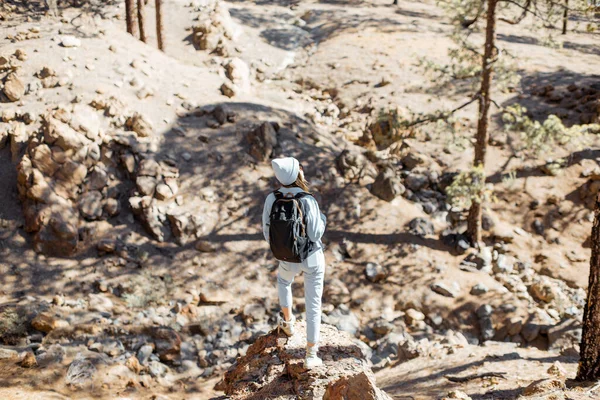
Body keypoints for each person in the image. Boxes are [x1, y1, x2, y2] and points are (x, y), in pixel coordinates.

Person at [262, 157, 327, 369]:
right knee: (313, 303)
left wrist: (284, 246)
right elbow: (315, 234)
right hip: (311, 257)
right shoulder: (308, 200)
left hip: (286, 257)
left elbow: (266, 232)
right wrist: (323, 219)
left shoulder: (272, 199)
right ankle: (310, 354)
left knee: (283, 281)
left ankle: (288, 323)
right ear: (297, 172)